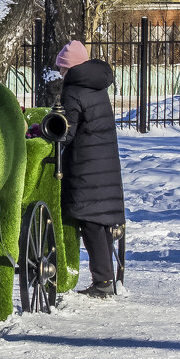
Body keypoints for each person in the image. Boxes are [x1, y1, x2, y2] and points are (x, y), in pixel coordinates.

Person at [55, 40, 126, 298]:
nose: (61, 73)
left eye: (62, 68)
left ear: (70, 67)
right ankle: (105, 277)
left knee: (90, 222)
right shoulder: (96, 84)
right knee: (100, 221)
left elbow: (67, 131)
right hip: (103, 160)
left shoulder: (73, 88)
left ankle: (103, 282)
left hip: (85, 164)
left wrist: (45, 132)